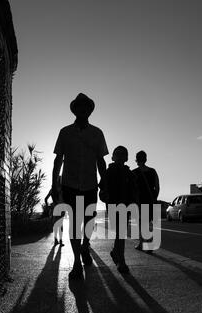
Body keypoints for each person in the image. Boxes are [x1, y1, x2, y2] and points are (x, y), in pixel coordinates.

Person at [52, 93, 108, 279]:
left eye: (86, 108)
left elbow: (101, 161)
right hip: (70, 185)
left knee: (90, 221)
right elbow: (58, 160)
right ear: (75, 110)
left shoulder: (97, 133)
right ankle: (77, 262)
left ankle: (85, 246)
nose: (83, 110)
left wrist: (104, 183)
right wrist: (54, 185)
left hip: (91, 185)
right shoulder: (65, 132)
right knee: (75, 225)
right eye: (80, 107)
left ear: (89, 111)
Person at [104, 146, 138, 274]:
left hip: (125, 206)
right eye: (117, 154)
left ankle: (120, 259)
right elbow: (102, 188)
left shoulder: (129, 173)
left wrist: (134, 202)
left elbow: (134, 190)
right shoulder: (108, 172)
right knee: (119, 232)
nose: (119, 156)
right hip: (113, 205)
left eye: (122, 154)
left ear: (126, 158)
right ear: (113, 157)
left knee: (121, 232)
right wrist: (105, 197)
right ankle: (117, 255)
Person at [132, 150, 159, 251]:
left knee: (141, 223)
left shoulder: (134, 173)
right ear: (146, 159)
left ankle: (142, 243)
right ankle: (150, 243)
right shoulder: (152, 171)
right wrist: (154, 198)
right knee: (149, 223)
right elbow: (157, 186)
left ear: (136, 160)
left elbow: (132, 189)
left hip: (139, 200)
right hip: (151, 200)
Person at [45, 178, 65, 247]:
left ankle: (57, 240)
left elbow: (46, 199)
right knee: (60, 226)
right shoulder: (61, 190)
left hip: (56, 208)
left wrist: (48, 206)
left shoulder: (52, 190)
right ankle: (60, 240)